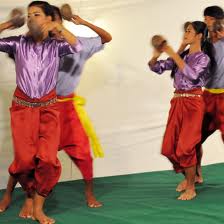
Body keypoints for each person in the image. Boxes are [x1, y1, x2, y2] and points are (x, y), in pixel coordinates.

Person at [0, 1, 82, 223]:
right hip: (22, 109)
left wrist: (59, 27)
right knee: (25, 162)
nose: (30, 18)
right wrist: (9, 23)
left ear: (48, 18)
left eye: (36, 14)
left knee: (47, 160)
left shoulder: (56, 44)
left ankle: (38, 207)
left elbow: (78, 47)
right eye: (28, 15)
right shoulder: (17, 43)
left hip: (48, 110)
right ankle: (23, 195)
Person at [148, 21, 212, 200]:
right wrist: (157, 54)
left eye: (189, 31)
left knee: (185, 148)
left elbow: (192, 75)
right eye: (185, 30)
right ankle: (189, 177)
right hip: (177, 103)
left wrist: (172, 52)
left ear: (199, 35)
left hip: (194, 104)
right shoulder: (181, 55)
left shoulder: (203, 58)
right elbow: (156, 67)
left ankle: (191, 187)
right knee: (169, 148)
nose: (186, 33)